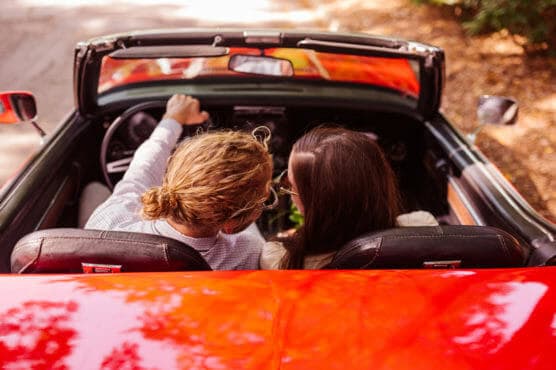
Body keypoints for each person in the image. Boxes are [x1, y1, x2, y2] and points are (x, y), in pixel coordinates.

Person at [86, 94, 273, 270]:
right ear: (231, 225)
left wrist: (172, 118)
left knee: (93, 189)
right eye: (264, 199)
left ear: (171, 167)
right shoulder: (248, 253)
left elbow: (141, 169)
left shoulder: (109, 224)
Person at [261, 126, 438, 270]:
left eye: (290, 185)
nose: (288, 191)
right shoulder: (424, 227)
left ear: (316, 204)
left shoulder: (280, 258)